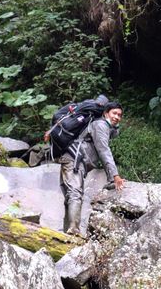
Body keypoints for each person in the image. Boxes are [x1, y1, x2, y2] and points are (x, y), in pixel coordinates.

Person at [59, 101, 126, 235]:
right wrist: (114, 176)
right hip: (74, 160)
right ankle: (73, 231)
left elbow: (110, 137)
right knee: (75, 194)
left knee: (71, 196)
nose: (117, 117)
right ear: (106, 113)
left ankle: (68, 232)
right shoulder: (100, 125)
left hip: (74, 160)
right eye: (114, 113)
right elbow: (103, 151)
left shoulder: (105, 127)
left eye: (119, 115)